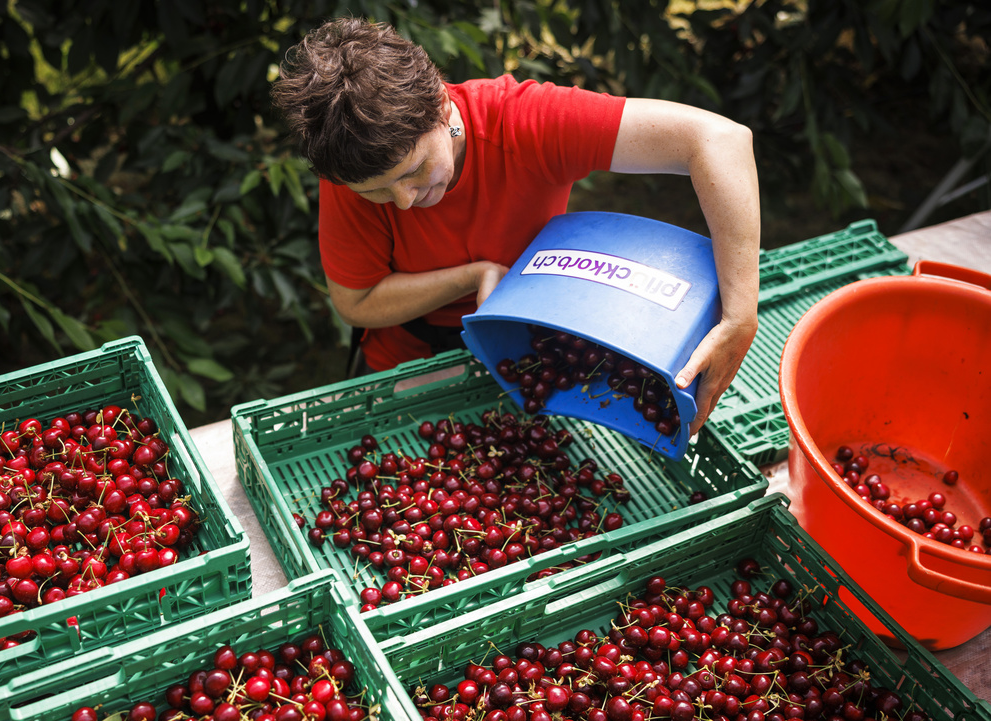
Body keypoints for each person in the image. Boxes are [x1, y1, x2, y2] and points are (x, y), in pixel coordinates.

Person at [271, 17, 759, 437]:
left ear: (441, 108)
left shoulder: (525, 122)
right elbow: (356, 301)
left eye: (413, 171)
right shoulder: (356, 167)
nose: (402, 202)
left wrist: (740, 313)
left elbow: (718, 139)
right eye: (377, 192)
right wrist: (473, 275)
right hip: (411, 355)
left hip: (539, 342)